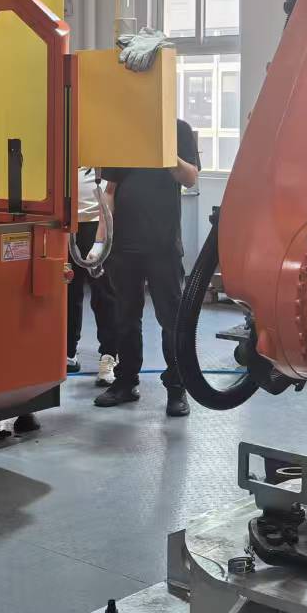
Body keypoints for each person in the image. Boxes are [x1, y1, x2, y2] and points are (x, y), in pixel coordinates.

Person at [93, 118, 200, 417]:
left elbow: (190, 178)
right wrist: (100, 243)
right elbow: (110, 191)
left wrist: (166, 151)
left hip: (163, 246)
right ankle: (126, 382)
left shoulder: (178, 129)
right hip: (124, 246)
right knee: (125, 317)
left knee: (171, 320)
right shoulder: (125, 130)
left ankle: (177, 388)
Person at [67, 167, 117, 379]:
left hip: (98, 223)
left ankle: (109, 355)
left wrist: (100, 240)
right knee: (68, 293)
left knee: (104, 295)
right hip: (66, 223)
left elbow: (112, 187)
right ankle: (67, 352)